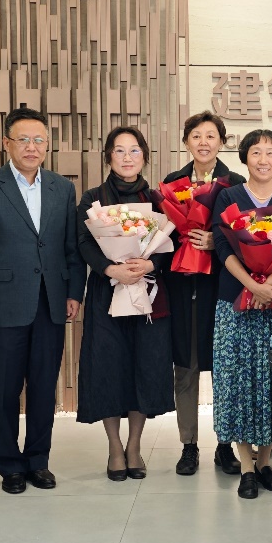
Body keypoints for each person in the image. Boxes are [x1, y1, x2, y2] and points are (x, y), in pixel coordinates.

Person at [0, 107, 85, 494]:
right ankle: (8, 463)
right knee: (7, 387)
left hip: (51, 301)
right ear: (7, 143)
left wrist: (73, 292)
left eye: (39, 140)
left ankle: (37, 460)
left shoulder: (62, 188)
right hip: (4, 302)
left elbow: (71, 248)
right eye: (23, 140)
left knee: (45, 386)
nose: (32, 147)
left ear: (47, 145)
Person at [212, 129, 272, 499]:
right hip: (235, 300)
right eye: (256, 152)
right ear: (245, 157)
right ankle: (246, 467)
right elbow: (223, 248)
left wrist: (269, 285)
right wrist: (252, 285)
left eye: (270, 153)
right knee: (237, 381)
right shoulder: (229, 196)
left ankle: (266, 462)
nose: (263, 160)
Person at [76, 127, 175, 481]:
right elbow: (84, 243)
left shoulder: (159, 199)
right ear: (108, 156)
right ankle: (115, 447)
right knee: (109, 368)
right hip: (107, 294)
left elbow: (172, 243)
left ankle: (134, 446)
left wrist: (150, 264)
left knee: (143, 367)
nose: (127, 157)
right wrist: (110, 268)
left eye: (134, 150)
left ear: (144, 156)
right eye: (119, 150)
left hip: (149, 294)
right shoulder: (93, 198)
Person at [162, 111, 245, 477]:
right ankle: (188, 444)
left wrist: (217, 240)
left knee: (224, 368)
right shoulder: (172, 182)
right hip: (182, 286)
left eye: (211, 136)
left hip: (220, 287)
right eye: (196, 135)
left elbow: (247, 235)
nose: (203, 142)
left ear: (221, 142)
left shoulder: (235, 183)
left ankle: (224, 445)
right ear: (186, 142)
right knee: (185, 367)